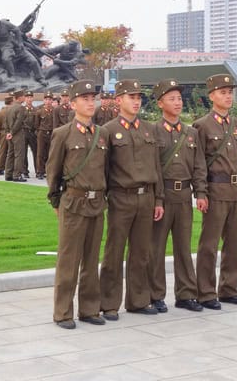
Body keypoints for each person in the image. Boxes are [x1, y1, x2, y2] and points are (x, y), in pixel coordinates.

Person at [46, 79, 110, 330]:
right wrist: (55, 200)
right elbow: (54, 170)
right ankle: (62, 312)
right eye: (84, 99)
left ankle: (89, 309)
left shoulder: (102, 134)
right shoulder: (62, 134)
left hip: (97, 203)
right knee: (68, 260)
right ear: (73, 104)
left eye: (92, 98)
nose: (90, 102)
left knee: (92, 259)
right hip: (73, 202)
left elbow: (105, 169)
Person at [99, 79, 164, 320]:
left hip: (146, 198)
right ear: (119, 100)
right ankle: (109, 303)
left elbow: (156, 166)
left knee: (141, 252)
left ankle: (138, 300)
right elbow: (103, 169)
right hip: (121, 198)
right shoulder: (107, 130)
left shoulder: (149, 129)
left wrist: (159, 199)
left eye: (139, 97)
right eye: (131, 97)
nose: (136, 101)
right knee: (113, 252)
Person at [193, 73, 237, 310]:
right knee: (209, 244)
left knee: (235, 244)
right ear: (211, 96)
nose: (228, 97)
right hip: (215, 190)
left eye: (230, 92)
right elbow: (198, 163)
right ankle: (206, 292)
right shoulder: (201, 125)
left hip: (235, 190)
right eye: (222, 93)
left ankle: (229, 288)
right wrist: (201, 193)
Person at [150, 78, 207, 313]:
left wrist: (201, 192)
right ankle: (156, 295)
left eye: (180, 99)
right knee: (157, 248)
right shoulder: (152, 131)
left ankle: (186, 294)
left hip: (184, 195)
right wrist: (157, 200)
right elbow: (152, 167)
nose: (178, 103)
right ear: (160, 103)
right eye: (172, 99)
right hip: (163, 197)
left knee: (184, 247)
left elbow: (199, 166)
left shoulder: (191, 133)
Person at [4, 89, 28, 182]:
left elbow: (5, 122)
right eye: (24, 96)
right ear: (20, 97)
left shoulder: (9, 107)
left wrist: (8, 133)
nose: (25, 98)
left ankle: (8, 174)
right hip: (17, 134)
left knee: (10, 154)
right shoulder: (21, 108)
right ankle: (17, 175)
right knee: (19, 155)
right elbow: (18, 122)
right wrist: (12, 132)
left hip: (10, 134)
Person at [35, 92, 54, 180]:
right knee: (40, 153)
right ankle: (40, 172)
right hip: (42, 133)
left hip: (51, 134)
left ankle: (48, 171)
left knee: (50, 153)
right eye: (46, 99)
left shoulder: (55, 111)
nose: (48, 101)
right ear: (44, 100)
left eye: (50, 99)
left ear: (52, 100)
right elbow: (36, 124)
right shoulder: (39, 112)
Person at [0, 94, 13, 176]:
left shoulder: (0, 112)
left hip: (3, 134)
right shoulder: (13, 111)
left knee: (2, 152)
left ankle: (0, 168)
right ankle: (10, 168)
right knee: (12, 152)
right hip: (12, 133)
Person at [23, 90, 38, 178]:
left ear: (32, 98)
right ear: (25, 99)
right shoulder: (22, 109)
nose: (29, 99)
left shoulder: (36, 110)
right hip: (24, 133)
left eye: (30, 97)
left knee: (36, 152)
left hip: (33, 133)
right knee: (24, 153)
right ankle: (25, 171)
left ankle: (38, 170)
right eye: (27, 97)